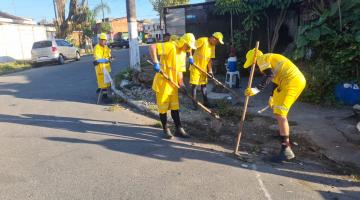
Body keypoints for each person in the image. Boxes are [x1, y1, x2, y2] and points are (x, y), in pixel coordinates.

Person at [243, 49, 306, 162]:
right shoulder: (271, 58)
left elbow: (270, 75)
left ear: (254, 60)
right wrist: (272, 96)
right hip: (294, 81)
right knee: (278, 112)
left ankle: (286, 149)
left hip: (290, 82)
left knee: (280, 114)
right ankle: (283, 139)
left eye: (253, 66)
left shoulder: (262, 59)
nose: (255, 69)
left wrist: (256, 89)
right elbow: (275, 80)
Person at [149, 33, 197, 139]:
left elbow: (179, 71)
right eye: (188, 46)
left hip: (173, 84)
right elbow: (152, 47)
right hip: (162, 83)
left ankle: (179, 129)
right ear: (184, 42)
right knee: (163, 109)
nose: (189, 49)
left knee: (175, 107)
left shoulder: (184, 53)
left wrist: (182, 84)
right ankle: (165, 129)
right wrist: (156, 62)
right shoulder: (171, 45)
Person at [189, 32, 224, 110]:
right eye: (217, 42)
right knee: (194, 86)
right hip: (195, 67)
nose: (217, 43)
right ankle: (194, 104)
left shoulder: (213, 46)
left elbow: (209, 60)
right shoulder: (203, 40)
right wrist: (190, 57)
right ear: (214, 38)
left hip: (203, 69)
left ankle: (206, 102)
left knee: (204, 86)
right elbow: (191, 47)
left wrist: (210, 71)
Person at [93, 33, 112, 101]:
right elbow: (97, 59)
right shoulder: (96, 47)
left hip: (106, 67)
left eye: (105, 40)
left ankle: (101, 90)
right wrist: (106, 60)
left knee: (107, 82)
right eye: (103, 40)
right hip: (100, 68)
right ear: (100, 40)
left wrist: (111, 58)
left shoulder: (106, 47)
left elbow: (109, 55)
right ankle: (104, 97)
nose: (105, 42)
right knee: (103, 83)